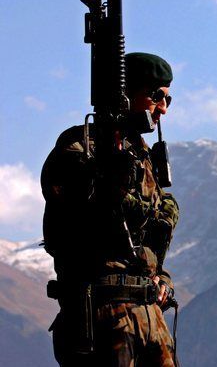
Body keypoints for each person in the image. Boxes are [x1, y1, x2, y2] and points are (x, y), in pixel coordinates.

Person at [42, 52, 179, 366]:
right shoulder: (80, 147)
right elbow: (80, 219)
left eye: (168, 100)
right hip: (104, 320)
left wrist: (162, 281)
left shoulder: (144, 158)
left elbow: (145, 247)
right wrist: (107, 169)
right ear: (125, 93)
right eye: (156, 96)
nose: (162, 109)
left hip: (150, 323)